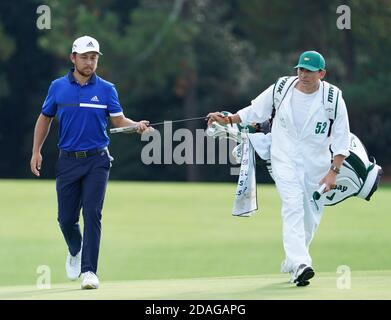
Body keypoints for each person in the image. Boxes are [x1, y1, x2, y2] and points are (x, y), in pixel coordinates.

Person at [207, 51, 350, 286]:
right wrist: (228, 119)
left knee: (310, 218)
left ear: (321, 74)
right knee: (292, 206)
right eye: (300, 69)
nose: (303, 75)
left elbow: (342, 138)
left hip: (317, 166)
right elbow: (255, 110)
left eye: (309, 71)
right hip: (283, 158)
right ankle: (302, 263)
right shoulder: (281, 87)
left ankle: (293, 262)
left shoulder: (333, 98)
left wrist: (334, 171)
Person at [30, 35, 152, 290]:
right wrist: (36, 151)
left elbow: (119, 121)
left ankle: (89, 271)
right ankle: (75, 248)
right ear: (73, 58)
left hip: (97, 160)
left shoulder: (107, 89)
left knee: (93, 213)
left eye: (93, 58)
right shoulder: (57, 87)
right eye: (84, 57)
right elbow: (45, 118)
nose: (89, 62)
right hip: (67, 161)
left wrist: (137, 126)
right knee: (65, 219)